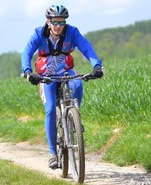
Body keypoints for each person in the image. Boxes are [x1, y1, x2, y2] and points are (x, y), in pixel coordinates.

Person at [21, 4, 103, 169]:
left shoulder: (72, 32)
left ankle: (74, 117)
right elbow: (27, 52)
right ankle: (52, 153)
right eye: (55, 22)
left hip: (66, 70)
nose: (58, 26)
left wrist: (96, 66)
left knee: (78, 84)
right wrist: (28, 71)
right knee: (50, 109)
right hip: (46, 76)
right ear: (48, 22)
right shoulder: (39, 33)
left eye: (62, 22)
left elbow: (86, 47)